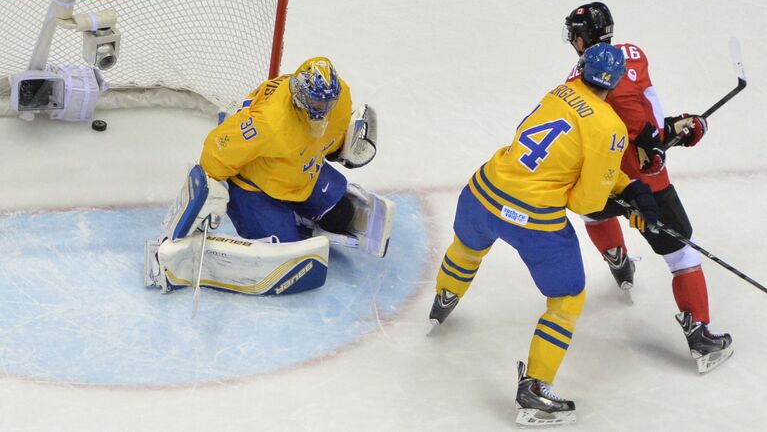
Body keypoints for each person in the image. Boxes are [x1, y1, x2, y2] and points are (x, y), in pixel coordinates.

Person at [428, 43, 659, 426]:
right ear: (615, 82)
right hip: (534, 222)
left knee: (467, 250)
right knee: (567, 299)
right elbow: (585, 202)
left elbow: (557, 153)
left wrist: (627, 187)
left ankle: (446, 295)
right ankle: (534, 389)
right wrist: (625, 200)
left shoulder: (559, 92)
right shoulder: (610, 127)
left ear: (581, 68)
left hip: (482, 193)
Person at [563, 2, 733, 373]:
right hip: (647, 183)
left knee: (592, 210)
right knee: (682, 256)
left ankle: (617, 259)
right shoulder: (635, 58)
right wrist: (674, 131)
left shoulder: (571, 80)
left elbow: (623, 121)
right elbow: (648, 119)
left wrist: (668, 132)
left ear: (582, 38)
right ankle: (700, 334)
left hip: (603, 180)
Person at [145, 57, 395, 296]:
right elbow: (217, 148)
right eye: (316, 103)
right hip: (253, 188)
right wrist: (214, 188)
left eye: (327, 104)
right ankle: (271, 221)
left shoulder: (340, 100)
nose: (323, 110)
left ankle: (296, 214)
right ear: (299, 94)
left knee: (343, 217)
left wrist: (343, 146)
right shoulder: (268, 122)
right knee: (285, 255)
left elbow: (324, 137)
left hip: (299, 170)